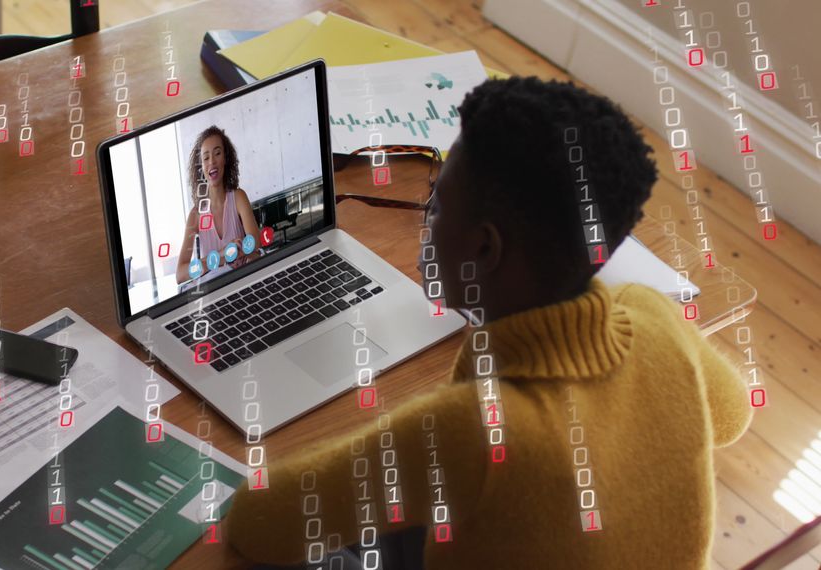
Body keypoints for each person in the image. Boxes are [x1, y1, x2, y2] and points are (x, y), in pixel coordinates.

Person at [221, 77, 752, 568]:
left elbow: (255, 521)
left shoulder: (473, 429)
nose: (426, 220)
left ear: (483, 245)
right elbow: (731, 416)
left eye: (436, 204)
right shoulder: (653, 315)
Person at [176, 125, 261, 283]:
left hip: (244, 283)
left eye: (217, 153)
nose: (212, 162)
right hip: (215, 293)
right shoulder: (195, 215)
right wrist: (222, 256)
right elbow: (180, 274)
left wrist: (237, 253)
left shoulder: (238, 197)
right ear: (201, 167)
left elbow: (255, 245)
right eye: (206, 157)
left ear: (226, 158)